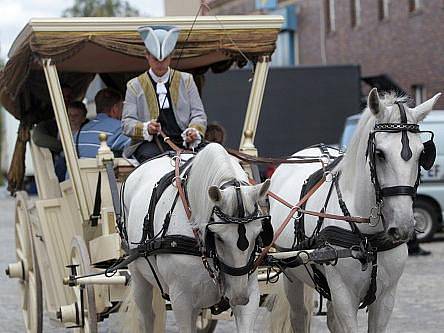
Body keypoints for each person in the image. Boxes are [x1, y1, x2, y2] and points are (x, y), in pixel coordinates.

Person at [121, 25, 207, 162]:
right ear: (147, 56)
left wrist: (193, 131)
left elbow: (199, 115)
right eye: (156, 59)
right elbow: (127, 124)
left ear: (171, 56)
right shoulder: (134, 85)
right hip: (150, 144)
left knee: (212, 154)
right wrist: (146, 128)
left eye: (165, 58)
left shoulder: (187, 80)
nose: (160, 63)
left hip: (185, 142)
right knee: (153, 162)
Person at [75, 88, 130, 158]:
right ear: (115, 109)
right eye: (122, 107)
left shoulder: (79, 132)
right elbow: (135, 151)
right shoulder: (120, 128)